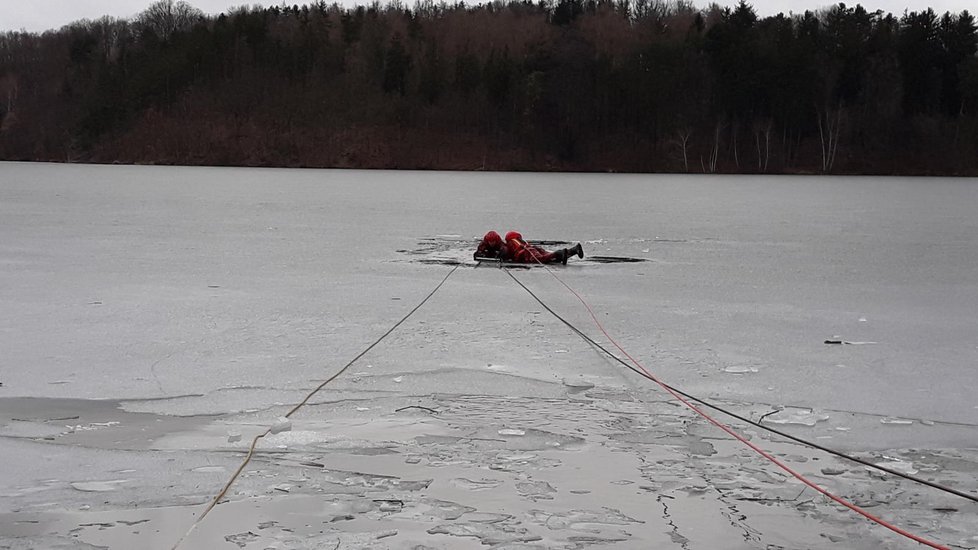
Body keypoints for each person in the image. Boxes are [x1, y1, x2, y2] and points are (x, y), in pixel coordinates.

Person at [474, 230, 584, 264]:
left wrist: (499, 255)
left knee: (543, 259)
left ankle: (560, 253)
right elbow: (478, 252)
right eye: (490, 242)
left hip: (525, 252)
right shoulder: (519, 240)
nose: (492, 243)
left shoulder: (509, 243)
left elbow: (506, 251)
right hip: (532, 248)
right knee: (547, 256)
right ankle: (573, 250)